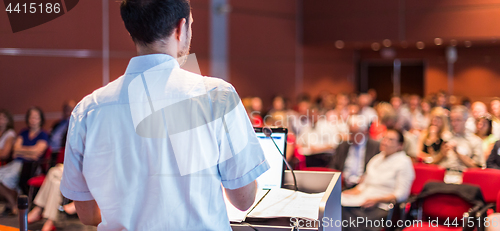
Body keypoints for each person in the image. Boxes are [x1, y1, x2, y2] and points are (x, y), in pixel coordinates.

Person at [60, 1, 270, 230]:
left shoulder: (87, 110)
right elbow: (243, 200)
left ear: (132, 29)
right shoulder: (217, 96)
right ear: (181, 29)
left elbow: (88, 215)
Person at [341, 129, 415, 231]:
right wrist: (349, 192)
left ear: (400, 145)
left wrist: (377, 200)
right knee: (339, 205)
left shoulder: (404, 162)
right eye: (384, 138)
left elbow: (402, 194)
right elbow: (364, 185)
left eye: (391, 140)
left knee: (346, 214)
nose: (385, 142)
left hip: (382, 206)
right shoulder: (376, 159)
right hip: (363, 200)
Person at [0, 107, 49, 215]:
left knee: (6, 179)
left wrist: (22, 151)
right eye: (31, 117)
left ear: (40, 119)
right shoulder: (23, 132)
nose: (33, 120)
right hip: (16, 163)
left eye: (36, 117)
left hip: (31, 166)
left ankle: (13, 204)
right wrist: (31, 151)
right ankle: (13, 204)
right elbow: (15, 150)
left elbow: (38, 153)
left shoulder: (43, 134)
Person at [328, 116, 380, 189]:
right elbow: (333, 166)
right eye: (350, 132)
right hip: (343, 185)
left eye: (355, 133)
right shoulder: (343, 145)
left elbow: (378, 170)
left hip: (365, 186)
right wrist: (339, 177)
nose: (352, 136)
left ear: (364, 132)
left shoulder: (375, 146)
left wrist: (367, 178)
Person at [432, 106, 483, 172]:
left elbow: (477, 168)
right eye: (452, 120)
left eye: (458, 120)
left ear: (466, 120)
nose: (454, 124)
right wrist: (442, 154)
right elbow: (433, 162)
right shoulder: (445, 137)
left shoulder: (475, 141)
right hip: (443, 174)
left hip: (462, 176)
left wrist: (458, 153)